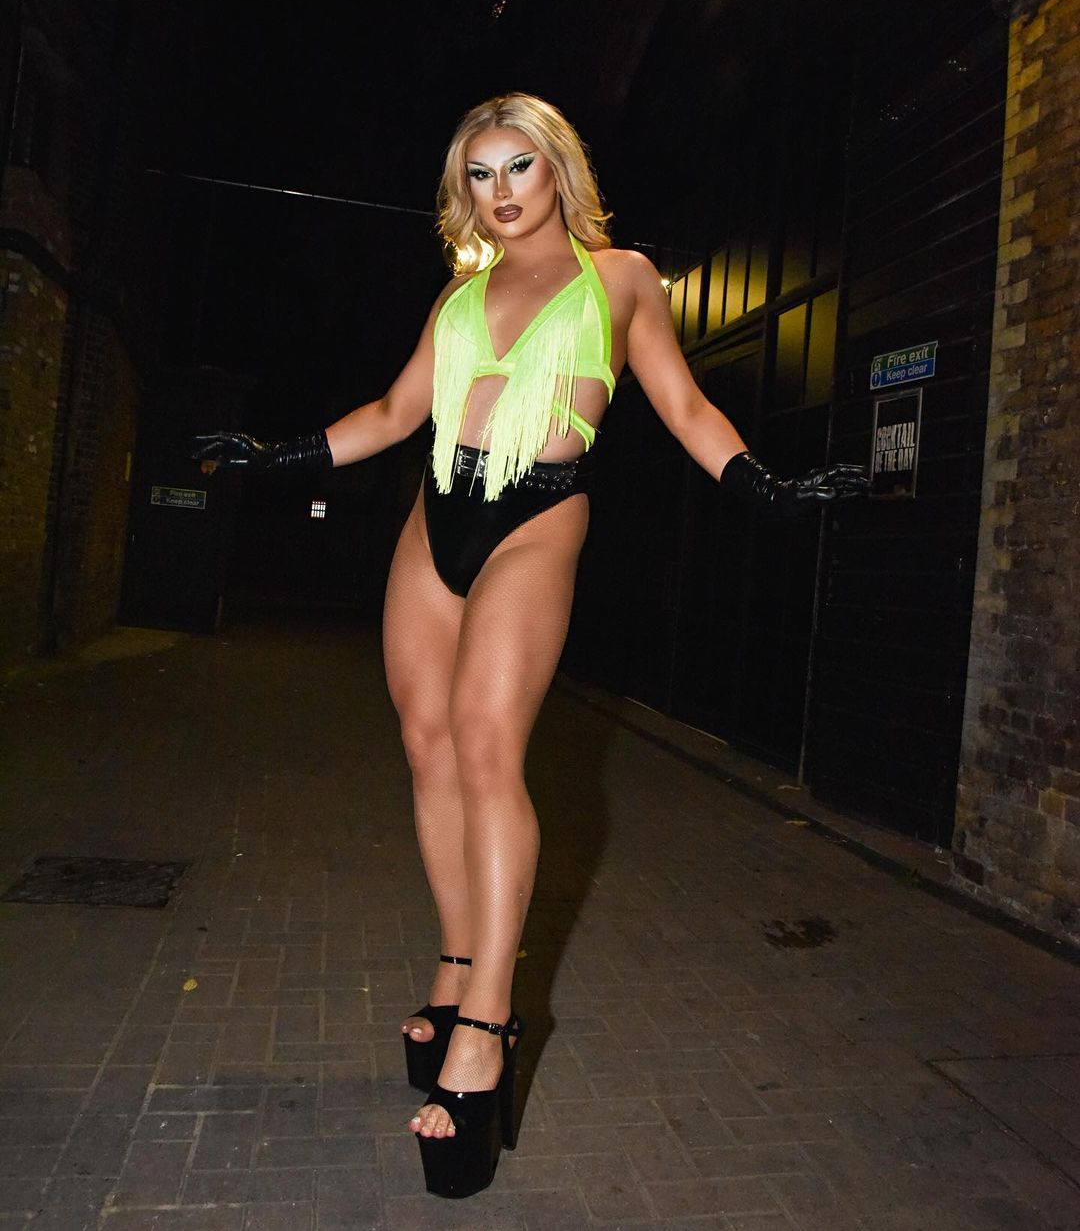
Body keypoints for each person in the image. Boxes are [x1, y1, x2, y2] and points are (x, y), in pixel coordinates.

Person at [193, 92, 867, 1198]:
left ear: (558, 171)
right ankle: (458, 962)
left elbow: (687, 409)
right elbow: (396, 411)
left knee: (485, 745)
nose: (500, 192)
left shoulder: (623, 278)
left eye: (518, 167)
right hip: (437, 514)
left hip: (538, 515)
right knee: (426, 745)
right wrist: (280, 458)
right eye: (479, 174)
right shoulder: (459, 292)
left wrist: (767, 485)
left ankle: (488, 1026)